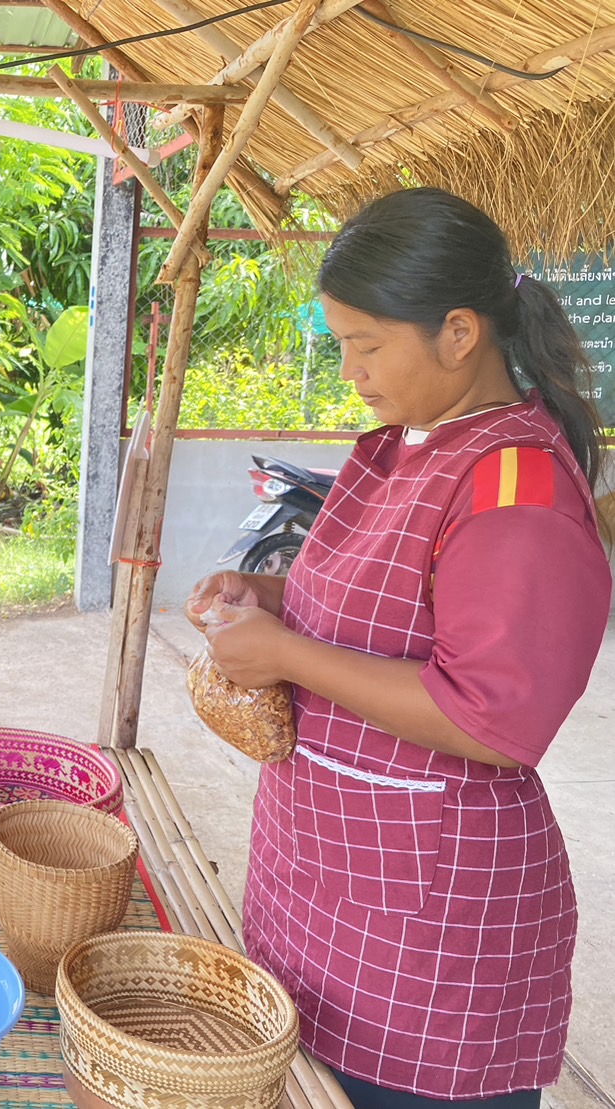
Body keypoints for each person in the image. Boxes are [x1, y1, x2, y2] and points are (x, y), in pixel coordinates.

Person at [186, 188, 611, 1109]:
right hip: (332, 879)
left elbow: (495, 718)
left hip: (432, 930)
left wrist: (288, 657)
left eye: (366, 344)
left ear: (458, 331)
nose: (350, 369)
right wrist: (265, 598)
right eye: (341, 343)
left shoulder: (514, 482)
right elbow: (388, 607)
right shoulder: (404, 447)